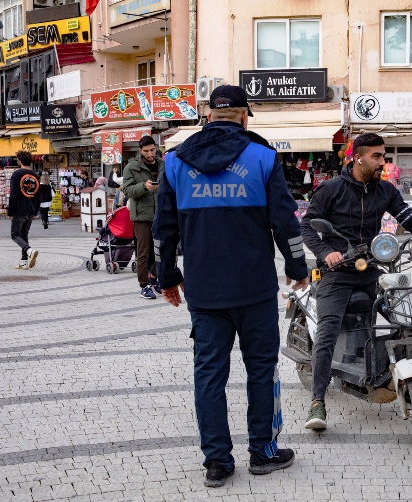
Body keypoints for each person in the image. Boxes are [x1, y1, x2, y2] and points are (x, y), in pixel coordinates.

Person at [153, 85, 309, 487]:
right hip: (254, 288)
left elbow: (163, 229)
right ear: (243, 115)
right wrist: (297, 266)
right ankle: (264, 452)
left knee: (209, 375)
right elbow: (285, 220)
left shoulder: (174, 162)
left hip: (203, 291)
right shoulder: (262, 157)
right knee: (261, 370)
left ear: (208, 115)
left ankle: (217, 463)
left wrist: (167, 277)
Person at [300, 133, 412, 430]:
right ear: (359, 158)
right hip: (337, 273)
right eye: (377, 156)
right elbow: (307, 226)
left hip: (372, 269)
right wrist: (326, 252)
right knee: (327, 333)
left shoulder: (386, 191)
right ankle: (317, 402)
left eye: (384, 156)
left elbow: (408, 217)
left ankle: (411, 376)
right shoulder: (331, 190)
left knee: (404, 315)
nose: (383, 162)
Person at [122, 136, 164, 299]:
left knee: (159, 250)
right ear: (140, 151)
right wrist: (144, 187)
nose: (150, 153)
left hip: (160, 214)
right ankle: (144, 285)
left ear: (156, 147)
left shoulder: (162, 165)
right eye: (146, 151)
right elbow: (127, 190)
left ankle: (154, 279)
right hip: (141, 215)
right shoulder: (132, 167)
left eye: (152, 150)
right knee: (143, 252)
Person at [8, 150, 40, 270]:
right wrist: (35, 211)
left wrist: (10, 211)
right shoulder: (35, 175)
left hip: (19, 210)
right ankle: (24, 261)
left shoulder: (17, 174)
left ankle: (29, 250)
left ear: (20, 160)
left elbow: (14, 193)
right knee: (24, 234)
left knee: (15, 235)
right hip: (30, 209)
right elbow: (38, 195)